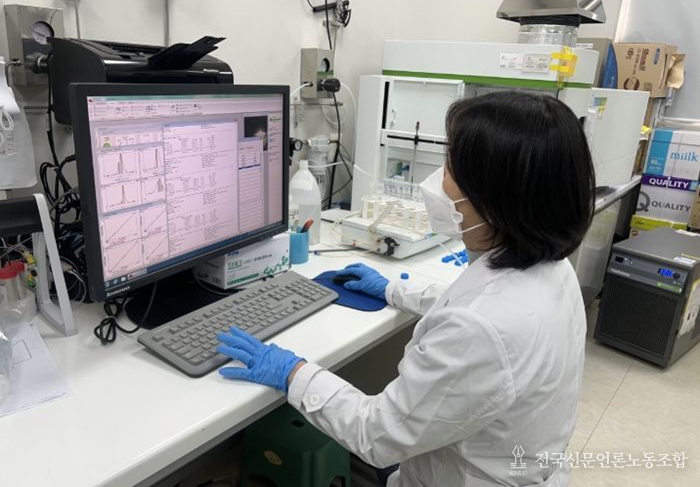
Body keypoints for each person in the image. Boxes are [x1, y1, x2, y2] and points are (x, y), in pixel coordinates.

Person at [216, 91, 595, 486]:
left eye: (451, 166)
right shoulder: (552, 268)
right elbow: (474, 309)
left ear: (492, 198)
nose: (440, 181)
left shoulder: (481, 327)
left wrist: (292, 372)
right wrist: (392, 289)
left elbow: (376, 435)